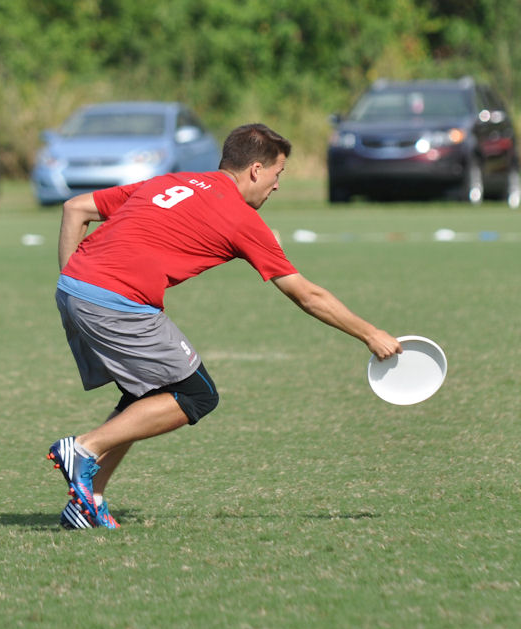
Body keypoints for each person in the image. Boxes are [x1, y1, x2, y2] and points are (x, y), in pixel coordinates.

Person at [46, 123, 402, 530]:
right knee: (196, 395)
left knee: (146, 395)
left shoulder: (173, 181)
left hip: (74, 289)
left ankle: (87, 501)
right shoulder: (240, 217)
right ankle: (84, 449)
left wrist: (76, 281)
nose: (277, 185)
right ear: (255, 170)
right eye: (278, 174)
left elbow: (76, 208)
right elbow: (307, 295)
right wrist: (371, 334)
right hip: (115, 301)